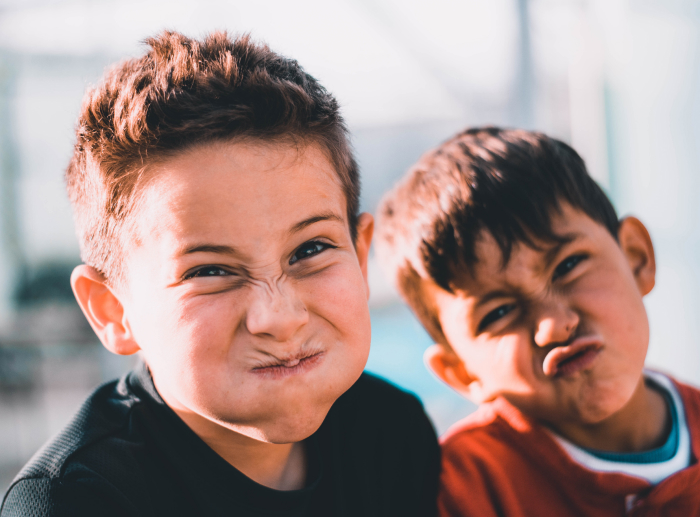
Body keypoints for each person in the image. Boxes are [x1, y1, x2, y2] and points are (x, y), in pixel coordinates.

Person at [0, 31, 440, 517]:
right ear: (113, 311)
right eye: (210, 270)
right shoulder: (74, 502)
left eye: (310, 249)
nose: (279, 318)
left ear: (360, 255)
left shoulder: (392, 434)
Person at [374, 126, 700, 516]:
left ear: (636, 258)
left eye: (568, 265)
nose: (553, 326)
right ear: (461, 372)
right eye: (498, 313)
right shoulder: (458, 491)